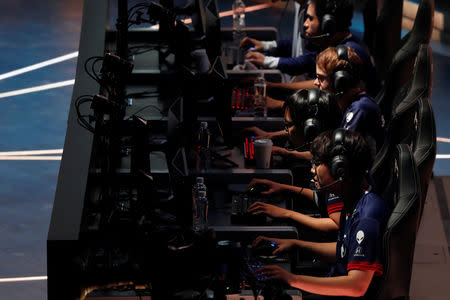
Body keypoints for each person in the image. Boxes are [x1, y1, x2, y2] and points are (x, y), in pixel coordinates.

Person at [254, 129, 390, 299]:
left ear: (340, 169)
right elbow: (345, 249)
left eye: (317, 163)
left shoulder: (367, 217)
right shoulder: (354, 198)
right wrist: (296, 244)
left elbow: (357, 286)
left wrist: (292, 279)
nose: (312, 170)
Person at [247, 88, 343, 231]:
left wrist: (286, 214)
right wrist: (284, 188)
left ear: (309, 129)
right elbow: (323, 198)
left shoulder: (332, 165)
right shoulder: (327, 149)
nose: (286, 131)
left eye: (288, 125)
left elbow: (336, 224)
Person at [242, 0, 379, 97]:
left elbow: (321, 87)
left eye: (310, 19)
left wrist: (270, 87)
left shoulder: (347, 53)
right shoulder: (331, 44)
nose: (306, 24)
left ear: (328, 25)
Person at [314, 45, 385, 154]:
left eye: (321, 78)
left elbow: (338, 157)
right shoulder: (347, 103)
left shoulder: (359, 109)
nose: (315, 82)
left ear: (339, 82)